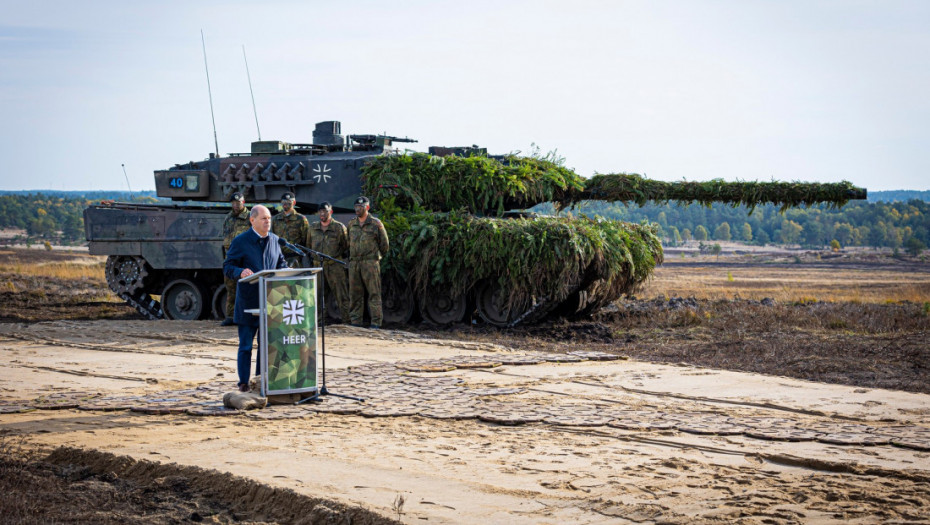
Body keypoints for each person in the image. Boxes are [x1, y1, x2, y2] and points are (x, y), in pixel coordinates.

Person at [223, 205, 288, 392]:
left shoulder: (275, 240)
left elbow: (280, 263)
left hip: (270, 302)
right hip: (248, 302)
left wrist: (286, 271)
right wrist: (240, 272)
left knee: (265, 346)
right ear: (252, 220)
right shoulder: (241, 241)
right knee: (245, 346)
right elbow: (227, 266)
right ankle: (243, 382)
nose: (268, 221)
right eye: (264, 218)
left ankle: (260, 381)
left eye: (269, 218)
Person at [347, 196, 389, 328]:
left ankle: (376, 322)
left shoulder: (376, 223)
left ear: (367, 207)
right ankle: (356, 321)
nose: (358, 209)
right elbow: (348, 242)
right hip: (354, 263)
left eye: (361, 207)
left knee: (374, 293)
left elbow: (384, 245)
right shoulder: (351, 224)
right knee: (355, 294)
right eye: (356, 207)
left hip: (370, 262)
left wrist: (375, 257)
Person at [307, 202, 350, 321]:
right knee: (318, 294)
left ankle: (347, 320)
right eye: (320, 211)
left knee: (341, 294)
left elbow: (345, 245)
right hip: (318, 265)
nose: (322, 214)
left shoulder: (339, 227)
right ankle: (320, 320)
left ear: (330, 212)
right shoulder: (313, 228)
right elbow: (308, 245)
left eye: (325, 211)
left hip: (334, 265)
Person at [221, 192, 251, 326]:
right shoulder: (229, 218)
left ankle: (245, 316)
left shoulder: (250, 217)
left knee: (246, 289)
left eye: (238, 203)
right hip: (231, 257)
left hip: (245, 259)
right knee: (230, 287)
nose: (235, 205)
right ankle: (230, 316)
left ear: (243, 203)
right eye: (233, 203)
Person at [271, 192, 309, 259]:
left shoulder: (301, 219)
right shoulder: (276, 219)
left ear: (294, 203)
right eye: (283, 202)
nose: (285, 204)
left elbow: (306, 240)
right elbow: (274, 238)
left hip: (295, 257)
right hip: (280, 257)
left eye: (289, 202)